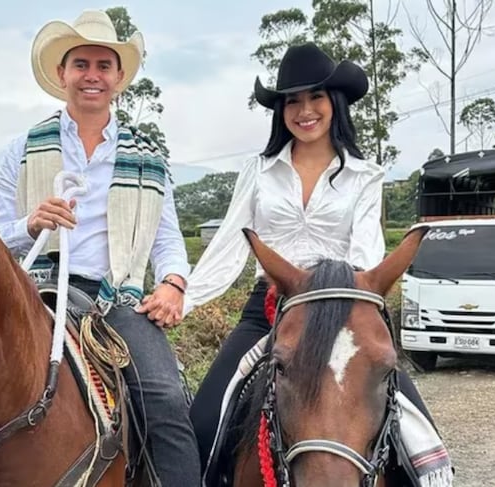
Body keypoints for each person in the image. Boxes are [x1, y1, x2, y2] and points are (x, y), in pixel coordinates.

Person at [181, 42, 435, 472]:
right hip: (269, 308)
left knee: (420, 434)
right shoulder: (258, 171)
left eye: (315, 97)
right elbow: (226, 244)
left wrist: (351, 303)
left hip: (344, 314)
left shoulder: (365, 175)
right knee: (202, 423)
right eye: (292, 101)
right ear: (280, 111)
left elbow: (366, 254)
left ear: (334, 102)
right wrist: (180, 299)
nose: (305, 110)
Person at [0, 9, 200, 486]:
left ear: (119, 77)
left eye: (104, 66)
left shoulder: (148, 157)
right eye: (81, 64)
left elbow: (167, 237)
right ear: (62, 74)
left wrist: (172, 283)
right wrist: (31, 221)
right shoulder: (20, 148)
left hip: (115, 301)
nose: (92, 76)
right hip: (33, 292)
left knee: (165, 399)